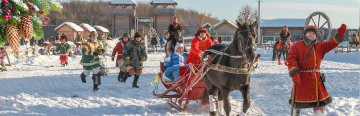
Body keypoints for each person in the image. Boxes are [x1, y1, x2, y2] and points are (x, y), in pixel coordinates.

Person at [287, 24, 347, 116]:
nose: (311, 35)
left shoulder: (320, 46)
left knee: (319, 105)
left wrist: (339, 36)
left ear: (316, 35)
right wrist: (294, 73)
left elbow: (332, 44)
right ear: (305, 34)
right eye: (309, 33)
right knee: (298, 104)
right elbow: (291, 59)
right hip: (301, 79)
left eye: (313, 34)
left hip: (316, 80)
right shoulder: (297, 45)